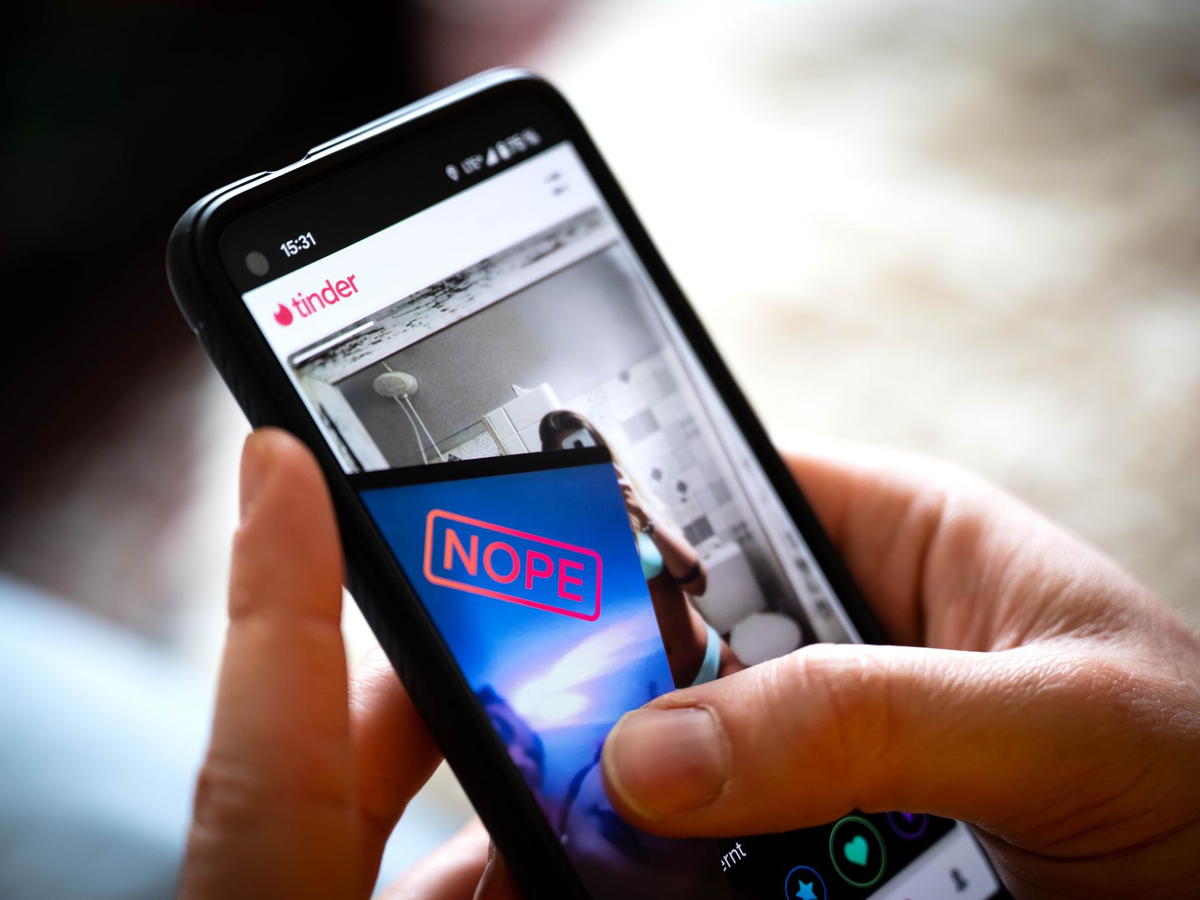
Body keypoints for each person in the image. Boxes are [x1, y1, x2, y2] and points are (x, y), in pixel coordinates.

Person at [178, 429, 1200, 899]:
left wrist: (642, 530)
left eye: (592, 459)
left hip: (709, 670)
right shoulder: (558, 570)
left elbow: (698, 574)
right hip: (655, 712)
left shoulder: (633, 525)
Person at [538, 410, 745, 688]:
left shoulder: (642, 505)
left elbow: (698, 585)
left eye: (587, 450)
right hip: (662, 693)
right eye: (571, 462)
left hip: (714, 660)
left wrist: (642, 514)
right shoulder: (573, 540)